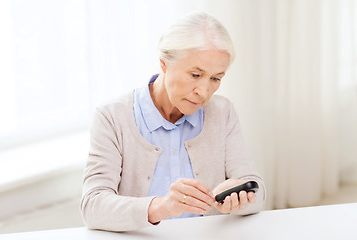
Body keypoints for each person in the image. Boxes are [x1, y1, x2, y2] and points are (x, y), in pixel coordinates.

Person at [80, 12, 266, 232]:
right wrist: (162, 207)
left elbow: (258, 190)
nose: (204, 91)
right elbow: (92, 206)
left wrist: (241, 198)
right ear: (164, 64)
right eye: (195, 74)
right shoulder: (112, 117)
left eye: (216, 78)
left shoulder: (222, 111)